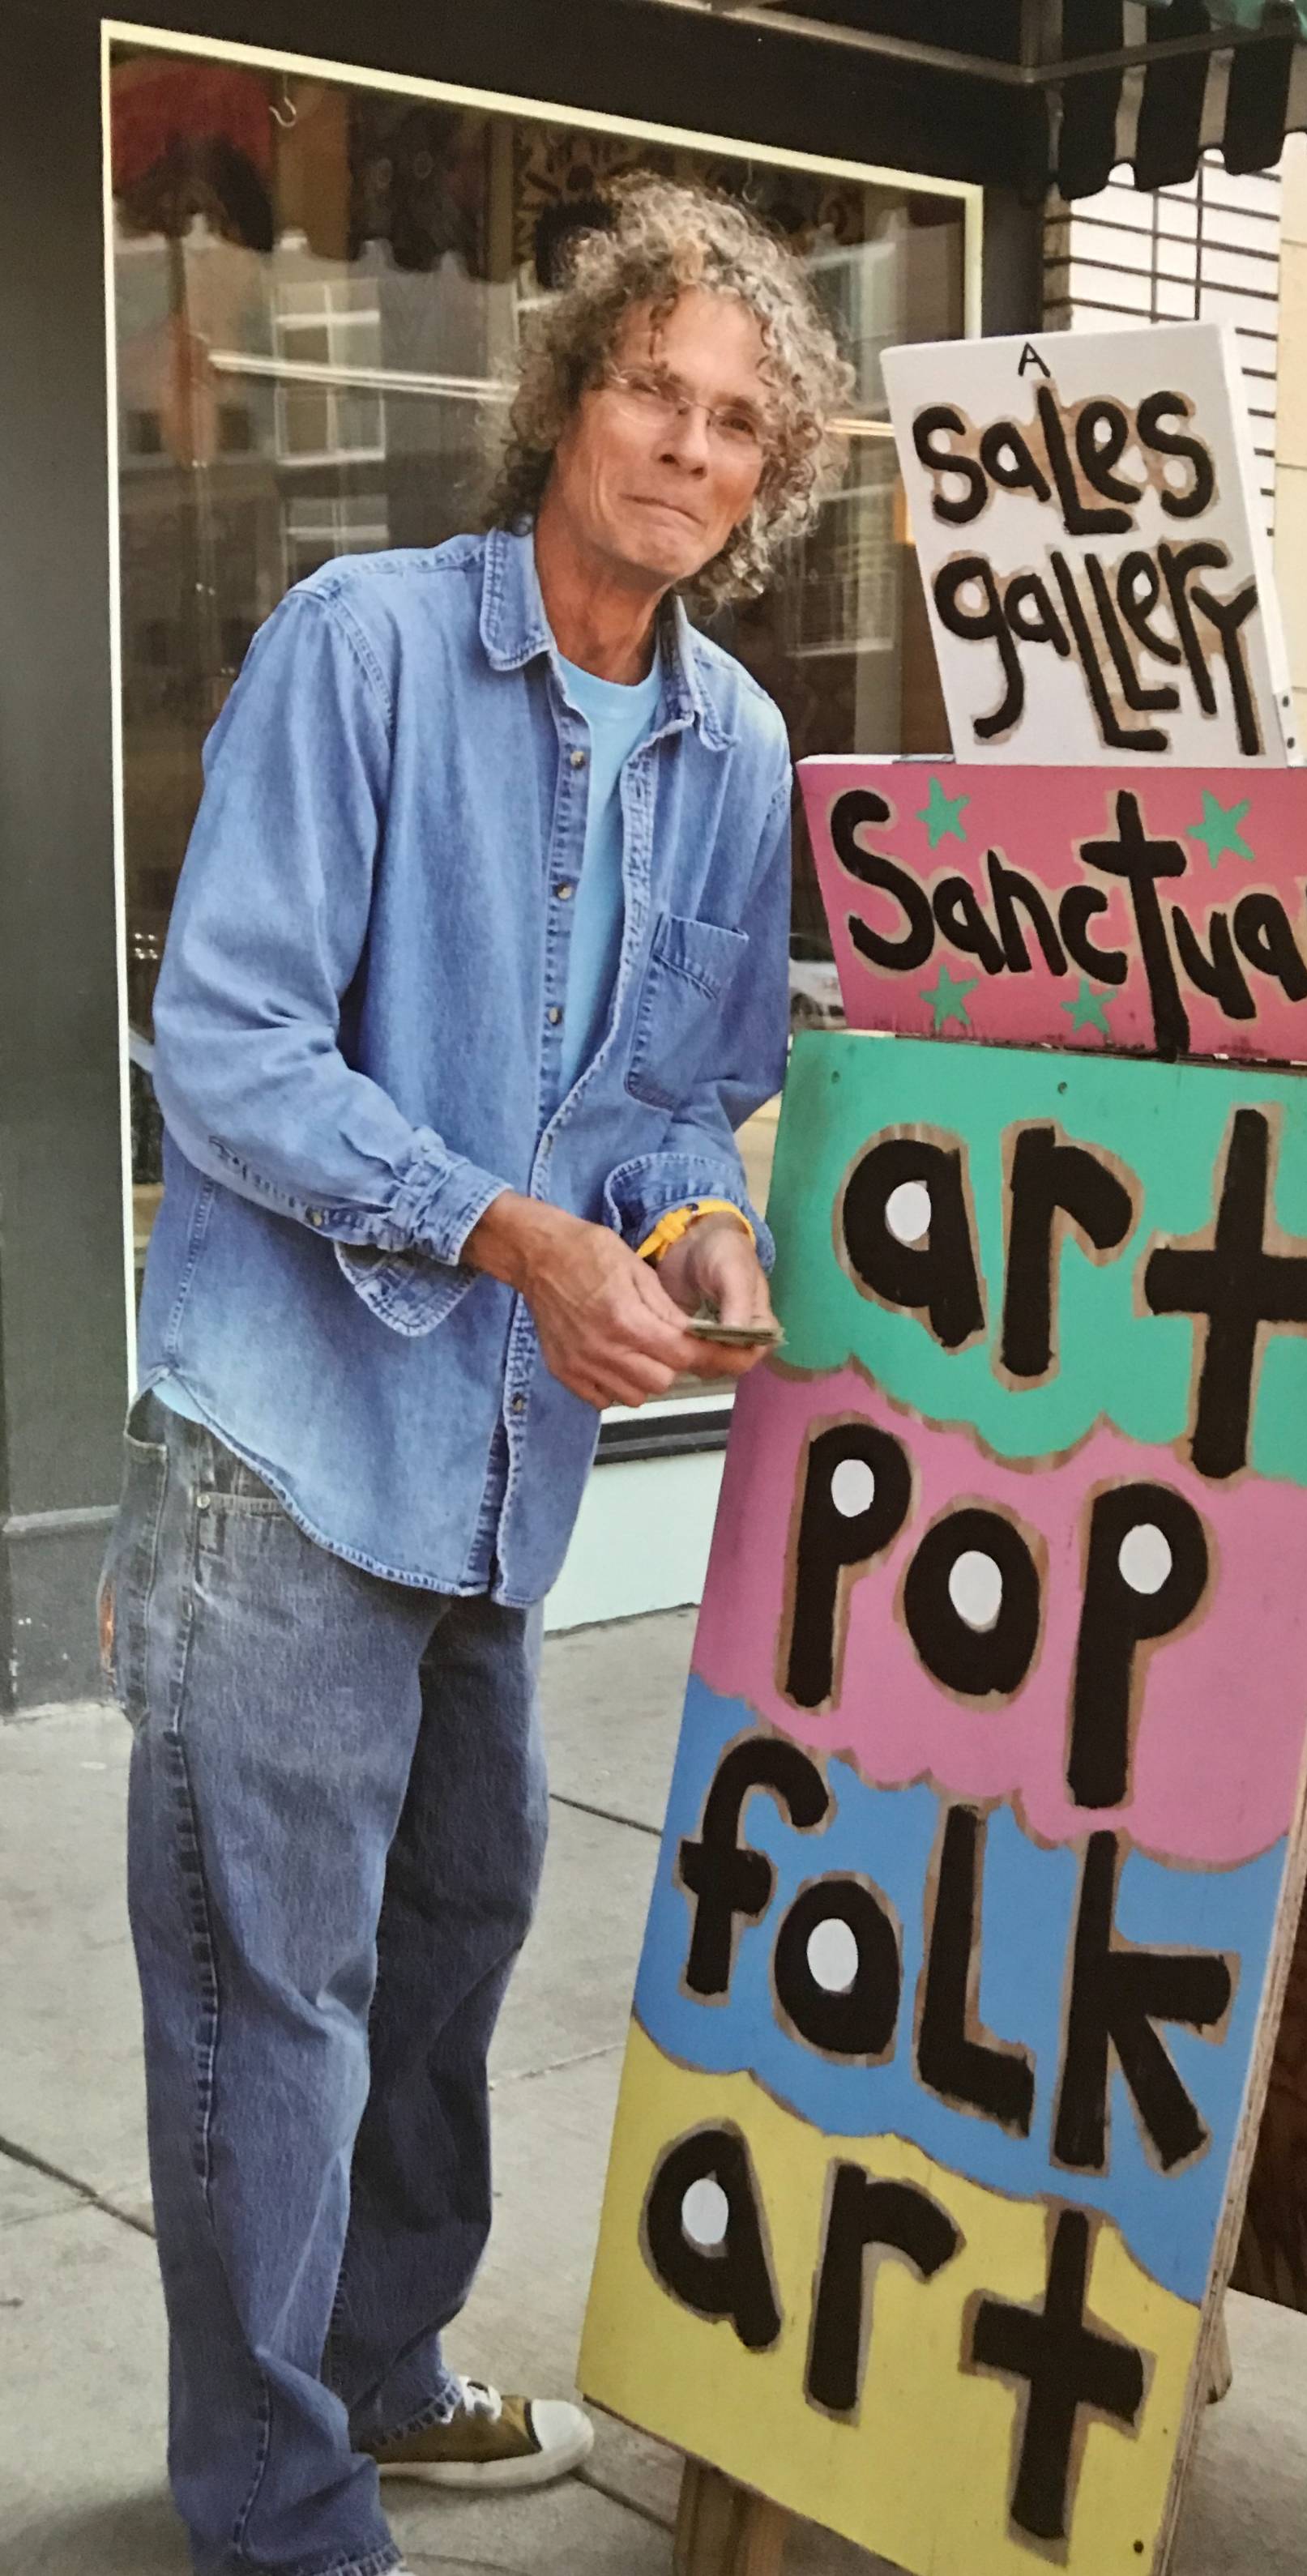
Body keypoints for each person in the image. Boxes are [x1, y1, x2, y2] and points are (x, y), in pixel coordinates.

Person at [100, 175, 848, 2576]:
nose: (688, 443)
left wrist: (696, 1223)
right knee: (270, 2002)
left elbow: (659, 1097)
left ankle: (387, 2369)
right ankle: (273, 2490)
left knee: (446, 1948)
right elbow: (218, 1046)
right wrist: (512, 1228)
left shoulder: (737, 741)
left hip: (497, 1457)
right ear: (565, 396)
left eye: (738, 422)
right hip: (292, 1440)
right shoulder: (362, 646)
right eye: (656, 386)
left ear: (764, 484)